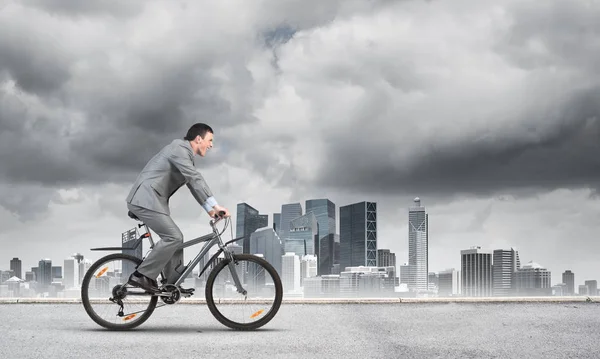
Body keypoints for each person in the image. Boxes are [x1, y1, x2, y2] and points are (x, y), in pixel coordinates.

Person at [125, 123, 230, 293]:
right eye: (210, 140)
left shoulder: (185, 155)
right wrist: (216, 205)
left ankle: (172, 284)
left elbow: (192, 184)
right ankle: (141, 275)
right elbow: (195, 178)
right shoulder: (179, 149)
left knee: (176, 239)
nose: (211, 145)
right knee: (173, 237)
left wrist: (210, 210)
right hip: (144, 200)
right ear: (198, 139)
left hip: (151, 201)